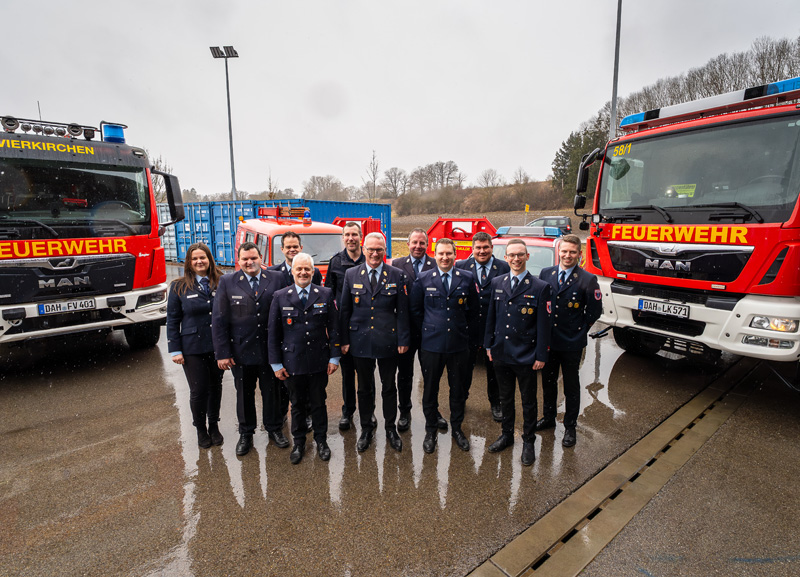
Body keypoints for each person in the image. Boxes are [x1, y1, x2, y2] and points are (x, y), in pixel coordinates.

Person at [212, 241, 289, 457]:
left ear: (260, 258)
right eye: (245, 259)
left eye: (253, 258)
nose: (249, 262)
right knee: (244, 394)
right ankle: (246, 433)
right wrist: (223, 353)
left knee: (272, 392)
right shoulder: (227, 281)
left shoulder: (277, 278)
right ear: (238, 261)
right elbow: (219, 319)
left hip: (270, 350)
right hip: (241, 351)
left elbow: (285, 311)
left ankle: (274, 428)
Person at [340, 233, 410, 453]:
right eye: (370, 249)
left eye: (379, 249)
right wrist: (343, 340)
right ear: (364, 249)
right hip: (360, 341)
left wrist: (403, 339)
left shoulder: (396, 274)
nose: (374, 253)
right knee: (364, 389)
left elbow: (403, 311)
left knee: (389, 387)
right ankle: (366, 429)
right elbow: (345, 310)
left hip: (388, 340)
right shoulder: (352, 274)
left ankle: (390, 428)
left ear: (385, 250)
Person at [485, 238, 552, 466]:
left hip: (526, 355)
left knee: (528, 401)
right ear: (505, 258)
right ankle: (507, 435)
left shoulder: (540, 287)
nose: (516, 259)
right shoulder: (497, 282)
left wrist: (541, 355)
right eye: (511, 255)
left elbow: (544, 325)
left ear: (527, 257)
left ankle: (528, 441)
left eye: (520, 255)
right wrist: (489, 345)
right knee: (505, 398)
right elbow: (491, 317)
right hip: (501, 353)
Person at [268, 253, 339, 464]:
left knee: (319, 403)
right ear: (292, 272)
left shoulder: (325, 294)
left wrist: (334, 358)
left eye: (307, 269)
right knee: (297, 404)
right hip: (293, 362)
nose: (303, 272)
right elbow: (273, 333)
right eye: (299, 269)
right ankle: (299, 443)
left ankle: (321, 441)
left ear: (313, 271)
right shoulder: (280, 296)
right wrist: (276, 364)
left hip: (319, 361)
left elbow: (334, 328)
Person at [410, 237, 479, 454]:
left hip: (458, 345)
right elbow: (416, 311)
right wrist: (430, 330)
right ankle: (431, 430)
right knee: (430, 390)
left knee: (458, 390)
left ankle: (457, 428)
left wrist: (464, 333)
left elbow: (474, 311)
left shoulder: (467, 278)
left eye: (449, 253)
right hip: (432, 345)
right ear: (435, 254)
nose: (445, 257)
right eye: (441, 253)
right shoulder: (423, 278)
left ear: (455, 255)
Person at [538, 234, 602, 447]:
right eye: (564, 251)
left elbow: (594, 311)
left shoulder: (587, 279)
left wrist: (580, 330)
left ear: (579, 254)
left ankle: (570, 426)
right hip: (549, 341)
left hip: (571, 342)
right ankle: (548, 418)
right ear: (559, 252)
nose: (567, 255)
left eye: (572, 252)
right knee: (548, 382)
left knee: (571, 386)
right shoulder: (546, 273)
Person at [167, 242, 225, 449]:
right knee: (199, 390)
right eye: (195, 259)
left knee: (215, 387)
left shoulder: (222, 282)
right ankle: (200, 428)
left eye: (203, 257)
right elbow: (172, 319)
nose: (199, 261)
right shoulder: (179, 286)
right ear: (189, 263)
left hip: (217, 346)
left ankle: (214, 425)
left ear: (209, 260)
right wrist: (175, 350)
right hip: (192, 347)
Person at [455, 231, 510, 422]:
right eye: (478, 247)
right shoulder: (461, 266)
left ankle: (495, 403)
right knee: (464, 368)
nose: (482, 251)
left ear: (492, 248)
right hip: (468, 328)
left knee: (494, 369)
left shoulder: (504, 267)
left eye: (486, 247)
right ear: (472, 249)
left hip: (493, 327)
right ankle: (462, 399)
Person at [391, 228, 440, 432]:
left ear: (427, 245)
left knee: (431, 374)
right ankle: (405, 411)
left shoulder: (436, 264)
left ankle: (434, 411)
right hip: (405, 330)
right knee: (404, 374)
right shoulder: (397, 265)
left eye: (422, 243)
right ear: (408, 244)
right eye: (414, 242)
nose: (418, 246)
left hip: (430, 330)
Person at [324, 222, 369, 431]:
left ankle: (368, 411)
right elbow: (328, 293)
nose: (351, 238)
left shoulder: (368, 258)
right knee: (348, 374)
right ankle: (348, 411)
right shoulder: (336, 262)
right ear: (343, 238)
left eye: (354, 234)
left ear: (361, 236)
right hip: (345, 326)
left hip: (366, 326)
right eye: (347, 235)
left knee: (367, 375)